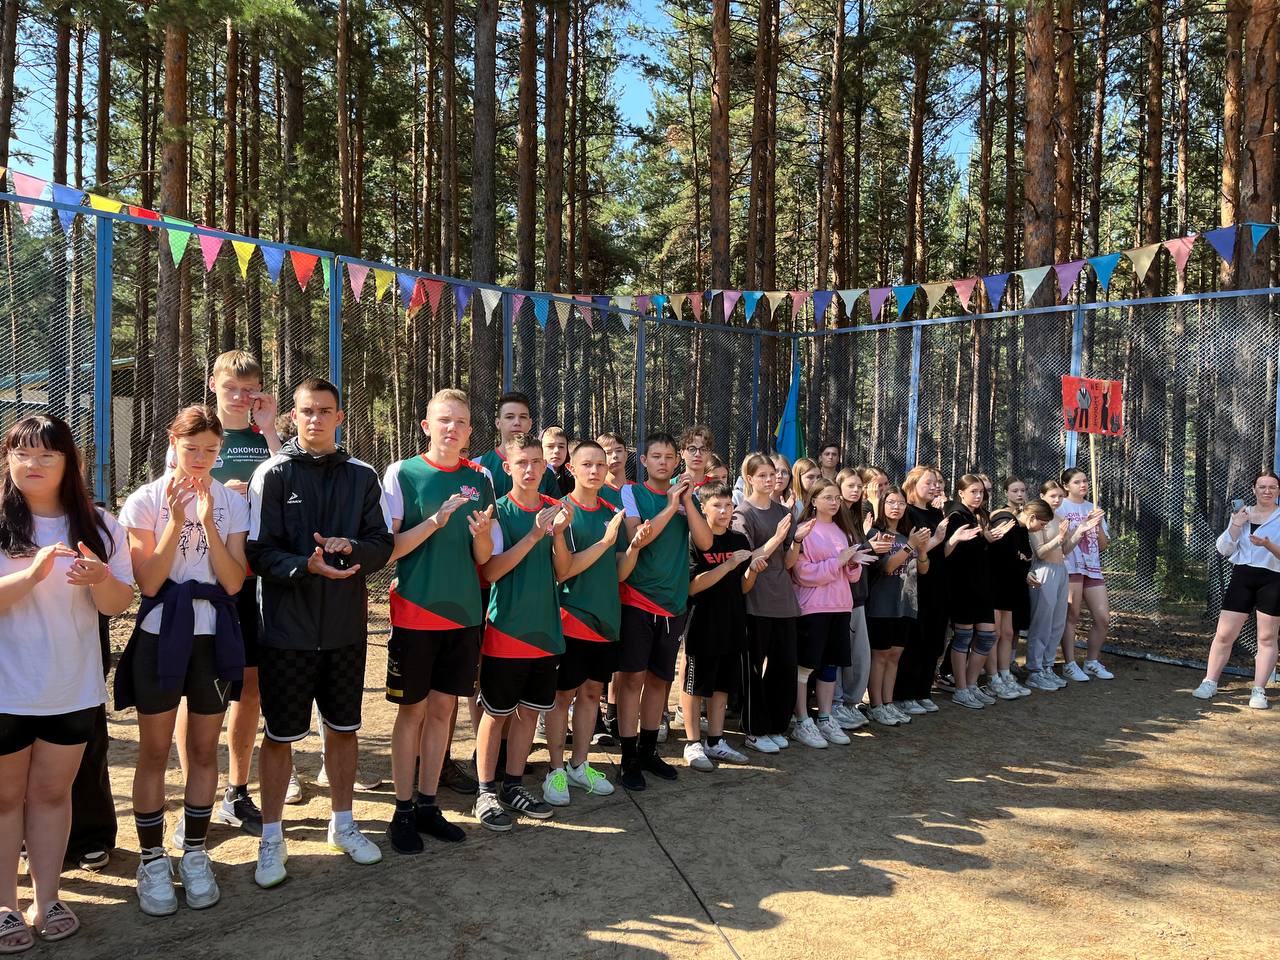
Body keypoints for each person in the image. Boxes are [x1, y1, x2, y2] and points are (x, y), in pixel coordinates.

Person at [246, 377, 394, 889]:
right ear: (293, 416)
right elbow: (257, 551)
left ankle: (343, 824)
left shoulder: (362, 475)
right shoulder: (272, 473)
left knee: (344, 729)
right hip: (285, 631)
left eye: (324, 411)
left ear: (339, 417)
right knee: (280, 736)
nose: (315, 419)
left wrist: (352, 548)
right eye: (306, 411)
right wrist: (304, 565)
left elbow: (382, 543)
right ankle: (272, 837)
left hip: (345, 631)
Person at [0, 416, 133, 949]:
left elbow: (118, 604)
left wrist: (101, 578)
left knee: (52, 795)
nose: (32, 464)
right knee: (5, 799)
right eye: (21, 453)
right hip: (7, 690)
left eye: (46, 455)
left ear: (69, 463)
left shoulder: (100, 525)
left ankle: (47, 898)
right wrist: (30, 575)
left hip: (71, 687)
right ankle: (5, 906)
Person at [116, 406, 249, 915]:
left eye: (210, 451)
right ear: (173, 443)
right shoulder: (145, 499)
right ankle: (152, 860)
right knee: (153, 751)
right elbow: (149, 581)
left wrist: (209, 522)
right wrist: (175, 521)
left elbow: (233, 582)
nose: (200, 458)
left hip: (214, 636)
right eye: (191, 448)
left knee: (203, 748)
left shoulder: (231, 503)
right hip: (161, 633)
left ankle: (194, 851)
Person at [380, 389, 496, 855]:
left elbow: (483, 557)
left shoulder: (480, 478)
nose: (452, 428)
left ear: (469, 432)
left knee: (444, 711)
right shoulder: (402, 473)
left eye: (460, 422)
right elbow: (388, 549)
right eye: (444, 420)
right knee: (412, 711)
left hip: (464, 614)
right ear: (426, 426)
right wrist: (434, 522)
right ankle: (402, 809)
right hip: (416, 613)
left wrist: (482, 536)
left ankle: (428, 804)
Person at [199, 350, 283, 837]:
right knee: (204, 691)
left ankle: (236, 789)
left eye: (249, 390)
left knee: (250, 689)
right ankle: (198, 794)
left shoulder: (262, 438)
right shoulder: (199, 434)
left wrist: (269, 429)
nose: (239, 396)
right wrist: (221, 493)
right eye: (231, 387)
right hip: (210, 581)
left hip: (257, 578)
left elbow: (288, 479)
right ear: (213, 384)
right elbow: (177, 493)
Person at [472, 434, 571, 830]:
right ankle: (485, 791)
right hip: (507, 630)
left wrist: (557, 534)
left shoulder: (555, 509)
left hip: (546, 630)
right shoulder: (497, 511)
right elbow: (491, 571)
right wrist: (533, 535)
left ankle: (513, 785)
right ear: (507, 467)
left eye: (536, 462)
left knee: (530, 712)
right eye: (521, 463)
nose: (530, 470)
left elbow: (563, 572)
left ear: (545, 466)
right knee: (496, 714)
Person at [542, 441, 641, 803]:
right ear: (572, 468)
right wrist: (605, 541)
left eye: (601, 464)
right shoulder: (561, 511)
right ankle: (555, 771)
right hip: (571, 619)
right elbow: (564, 571)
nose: (596, 470)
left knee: (590, 694)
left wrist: (634, 547)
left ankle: (578, 765)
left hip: (606, 620)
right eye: (587, 464)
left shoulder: (612, 510)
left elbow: (618, 572)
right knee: (562, 696)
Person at [616, 432, 713, 790]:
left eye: (669, 457)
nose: (663, 462)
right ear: (643, 461)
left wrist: (686, 502)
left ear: (677, 461)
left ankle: (648, 750)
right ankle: (628, 758)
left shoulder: (687, 496)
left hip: (674, 604)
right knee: (632, 680)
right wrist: (671, 507)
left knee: (660, 680)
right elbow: (637, 537)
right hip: (637, 599)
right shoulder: (632, 493)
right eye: (656, 456)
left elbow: (705, 542)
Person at [682, 481, 765, 770]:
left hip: (732, 622)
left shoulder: (739, 540)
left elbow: (743, 587)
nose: (724, 510)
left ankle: (715, 740)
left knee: (722, 686)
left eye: (728, 505)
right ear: (703, 508)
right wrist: (726, 566)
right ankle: (692, 742)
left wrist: (752, 570)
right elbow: (692, 587)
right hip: (701, 622)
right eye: (717, 505)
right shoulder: (694, 540)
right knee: (695, 686)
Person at [790, 479, 872, 747]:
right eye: (828, 497)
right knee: (806, 665)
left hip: (841, 606)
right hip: (813, 608)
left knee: (830, 665)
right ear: (813, 500)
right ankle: (802, 720)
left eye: (837, 498)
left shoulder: (842, 530)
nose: (835, 502)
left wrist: (853, 564)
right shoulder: (805, 530)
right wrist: (838, 561)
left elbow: (850, 576)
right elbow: (803, 574)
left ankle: (825, 718)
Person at [734, 453, 805, 754]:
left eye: (773, 474)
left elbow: (787, 561)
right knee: (753, 667)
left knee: (784, 665)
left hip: (783, 599)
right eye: (762, 475)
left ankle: (776, 724)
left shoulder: (782, 512)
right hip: (755, 599)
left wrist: (796, 540)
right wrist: (776, 538)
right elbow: (747, 557)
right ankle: (754, 728)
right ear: (749, 478)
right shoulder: (742, 513)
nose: (770, 479)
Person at [1193, 471, 1280, 708]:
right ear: (1254, 489)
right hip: (1242, 577)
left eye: (1272, 487)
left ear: (1278, 491)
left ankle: (1259, 690)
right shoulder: (1242, 514)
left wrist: (1268, 545)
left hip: (1273, 579)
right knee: (1224, 634)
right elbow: (1224, 549)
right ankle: (1210, 682)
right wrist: (1236, 525)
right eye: (1262, 486)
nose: (1267, 491)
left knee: (1266, 637)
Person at [945, 474, 1015, 710]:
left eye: (981, 492)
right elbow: (956, 551)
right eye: (973, 491)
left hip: (984, 586)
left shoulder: (981, 515)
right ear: (961, 493)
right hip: (963, 585)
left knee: (987, 636)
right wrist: (985, 538)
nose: (978, 496)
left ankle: (972, 684)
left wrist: (990, 538)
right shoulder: (956, 515)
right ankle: (961, 689)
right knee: (963, 637)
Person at [864, 486, 931, 726]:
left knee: (894, 656)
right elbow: (888, 567)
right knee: (880, 656)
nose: (897, 507)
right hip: (882, 605)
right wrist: (911, 545)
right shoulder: (876, 533)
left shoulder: (905, 536)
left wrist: (921, 550)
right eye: (891, 502)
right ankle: (875, 705)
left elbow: (923, 569)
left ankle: (888, 703)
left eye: (901, 503)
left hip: (905, 604)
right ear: (882, 505)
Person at [1025, 498, 1100, 691]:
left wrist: (1080, 531)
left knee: (1057, 623)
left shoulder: (1059, 518)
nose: (1057, 499)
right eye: (1053, 495)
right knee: (1042, 622)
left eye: (1060, 495)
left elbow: (1064, 549)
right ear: (1043, 496)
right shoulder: (1037, 519)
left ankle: (1047, 666)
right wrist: (1058, 538)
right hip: (1044, 570)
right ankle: (1034, 670)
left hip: (1061, 570)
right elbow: (1040, 552)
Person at [899, 466, 950, 714]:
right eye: (928, 483)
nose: (934, 487)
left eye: (936, 483)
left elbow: (942, 550)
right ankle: (904, 693)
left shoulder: (936, 513)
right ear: (913, 484)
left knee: (934, 637)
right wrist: (937, 539)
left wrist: (952, 539)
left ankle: (923, 690)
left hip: (938, 582)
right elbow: (909, 552)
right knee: (914, 639)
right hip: (915, 583)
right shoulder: (907, 513)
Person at [1057, 468, 1114, 681]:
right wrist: (1083, 524)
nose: (1083, 485)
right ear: (1066, 486)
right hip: (1070, 566)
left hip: (1092, 567)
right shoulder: (1061, 506)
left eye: (1085, 481)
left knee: (1103, 618)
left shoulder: (1093, 508)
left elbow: (1103, 545)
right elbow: (1061, 541)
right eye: (1077, 482)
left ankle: (1091, 661)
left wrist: (1097, 526)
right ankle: (1070, 664)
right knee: (1072, 616)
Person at [833, 468, 879, 729]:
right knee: (840, 656)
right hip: (838, 597)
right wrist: (867, 547)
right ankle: (836, 705)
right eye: (850, 485)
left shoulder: (857, 515)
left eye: (859, 486)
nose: (856, 490)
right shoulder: (834, 517)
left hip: (858, 595)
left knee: (859, 657)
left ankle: (849, 704)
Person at [988, 478, 1034, 699]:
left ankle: (1005, 672)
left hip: (1014, 582)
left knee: (1009, 631)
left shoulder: (1022, 519)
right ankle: (992, 677)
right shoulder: (1002, 517)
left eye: (1023, 490)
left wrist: (1024, 558)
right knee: (995, 633)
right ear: (1006, 492)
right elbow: (999, 550)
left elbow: (1022, 549)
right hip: (997, 582)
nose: (1020, 494)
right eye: (1015, 490)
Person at [475, 392, 559, 500]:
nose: (517, 422)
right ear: (498, 423)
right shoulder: (479, 465)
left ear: (530, 423)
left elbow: (556, 507)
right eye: (509, 417)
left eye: (523, 417)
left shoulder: (545, 469)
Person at [596, 432, 629, 508]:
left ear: (626, 455)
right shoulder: (595, 491)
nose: (615, 456)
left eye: (619, 451)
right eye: (608, 453)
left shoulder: (638, 490)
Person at [542, 426, 574, 496]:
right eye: (550, 446)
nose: (556, 451)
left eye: (561, 447)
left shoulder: (573, 484)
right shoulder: (533, 481)